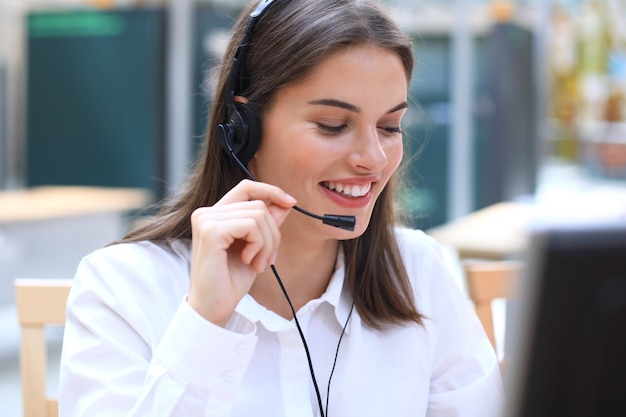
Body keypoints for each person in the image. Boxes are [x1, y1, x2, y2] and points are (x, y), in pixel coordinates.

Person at [59, 0, 503, 416]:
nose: (373, 157)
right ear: (242, 130)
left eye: (389, 126)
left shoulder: (419, 269)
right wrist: (205, 321)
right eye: (333, 126)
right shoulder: (122, 286)